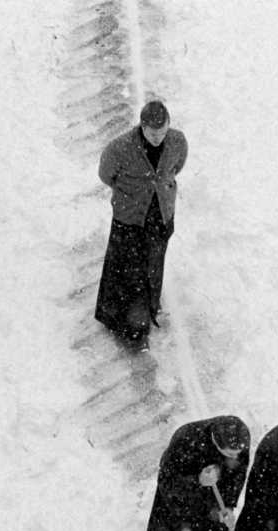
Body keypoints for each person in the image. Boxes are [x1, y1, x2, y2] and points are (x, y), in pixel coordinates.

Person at [94, 99, 188, 349]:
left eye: (163, 132)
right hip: (130, 219)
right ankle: (130, 324)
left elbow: (176, 167)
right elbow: (106, 175)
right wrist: (131, 194)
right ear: (142, 127)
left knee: (154, 264)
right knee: (127, 269)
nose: (158, 138)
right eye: (153, 133)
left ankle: (149, 308)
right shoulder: (120, 148)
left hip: (160, 216)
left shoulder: (178, 142)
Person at [141, 415, 250, 531]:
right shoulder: (186, 439)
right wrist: (197, 480)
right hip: (180, 502)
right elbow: (167, 482)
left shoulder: (239, 445)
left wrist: (230, 506)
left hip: (212, 502)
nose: (235, 457)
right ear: (217, 442)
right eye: (229, 454)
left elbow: (237, 477)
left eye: (237, 453)